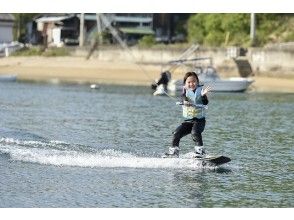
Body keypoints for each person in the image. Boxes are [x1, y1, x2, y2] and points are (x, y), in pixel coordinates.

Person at [164, 71, 211, 158]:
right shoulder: (185, 92)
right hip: (188, 122)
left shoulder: (201, 91)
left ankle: (200, 152)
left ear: (197, 82)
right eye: (189, 82)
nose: (191, 84)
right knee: (176, 133)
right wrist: (185, 101)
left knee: (195, 132)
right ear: (185, 83)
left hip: (199, 121)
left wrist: (204, 95)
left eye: (194, 81)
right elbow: (183, 98)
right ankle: (174, 152)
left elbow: (205, 102)